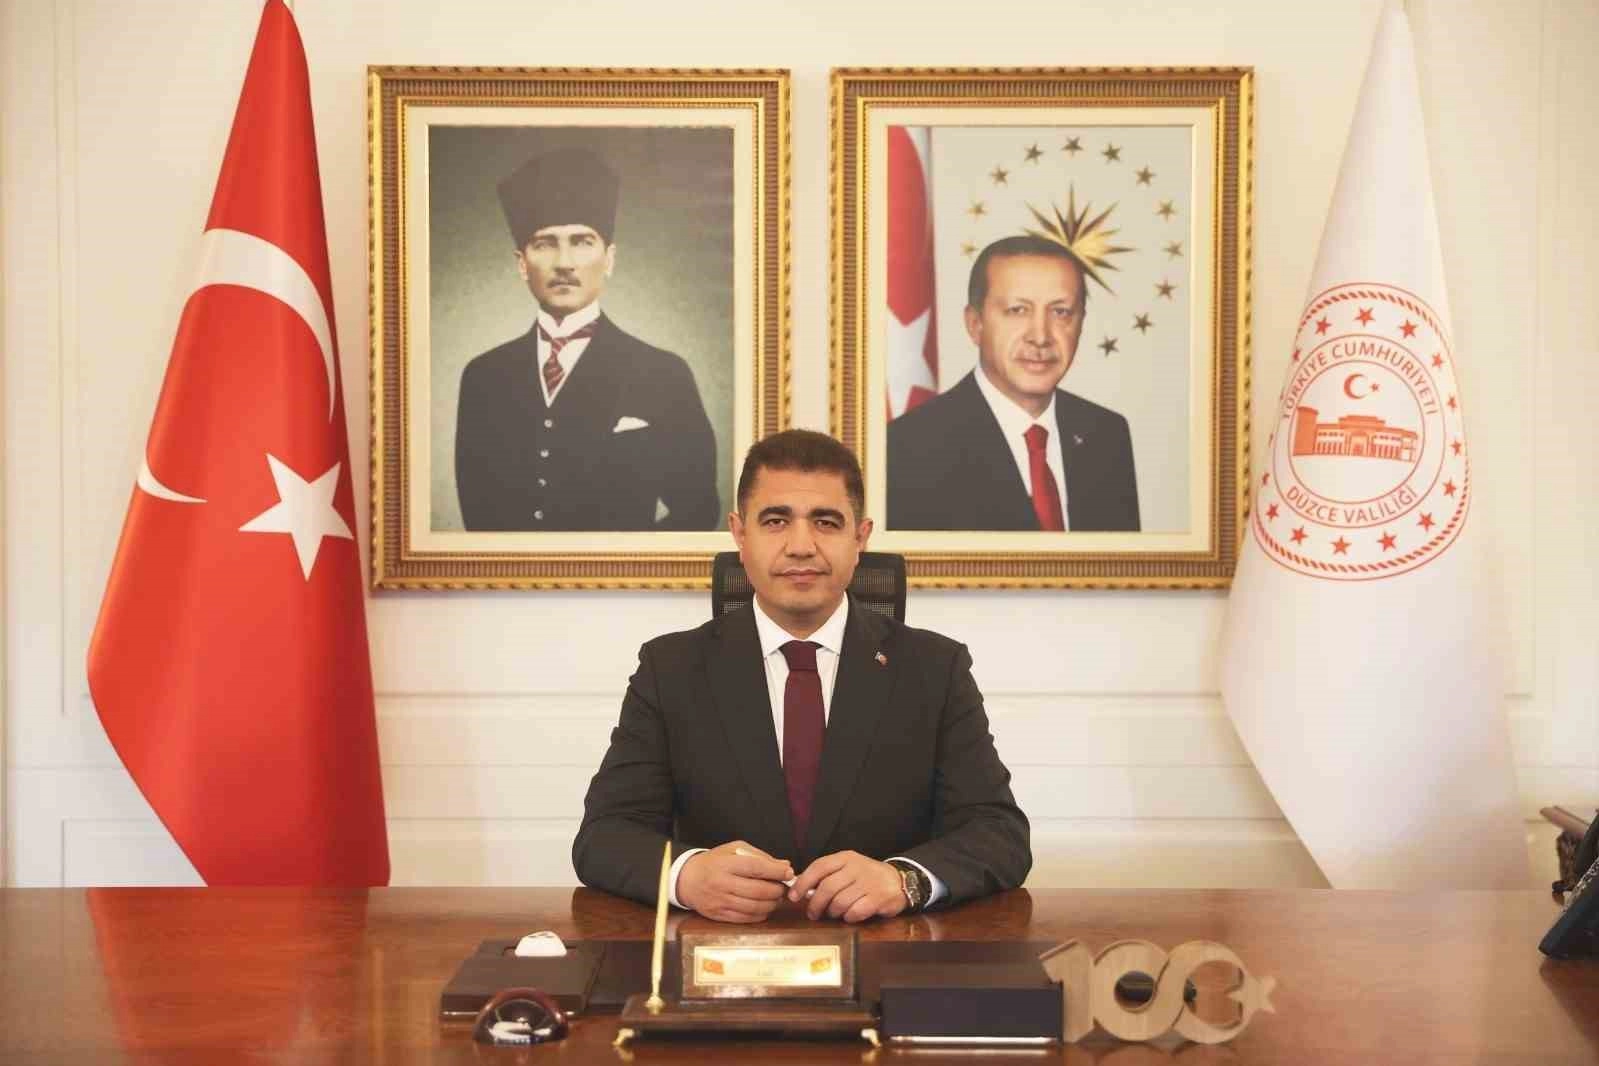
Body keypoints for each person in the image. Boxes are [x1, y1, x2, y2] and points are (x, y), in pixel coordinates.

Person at [572, 430, 1030, 922]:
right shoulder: (671, 669)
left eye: (826, 522)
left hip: (884, 950)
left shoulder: (935, 669)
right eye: (775, 521)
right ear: (739, 534)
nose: (801, 546)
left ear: (860, 538)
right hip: (723, 951)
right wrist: (686, 875)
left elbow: (998, 833)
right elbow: (605, 835)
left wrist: (904, 879)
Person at [455, 147, 719, 531]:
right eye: (545, 243)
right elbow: (478, 520)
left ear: (609, 259)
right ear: (522, 263)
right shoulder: (484, 377)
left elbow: (698, 512)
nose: (564, 262)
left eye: (582, 241)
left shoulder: (663, 374)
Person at [887, 235, 1140, 532]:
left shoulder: (1106, 435)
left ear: (1081, 323)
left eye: (1061, 312)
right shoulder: (910, 447)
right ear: (975, 324)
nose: (1040, 336)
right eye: (1018, 310)